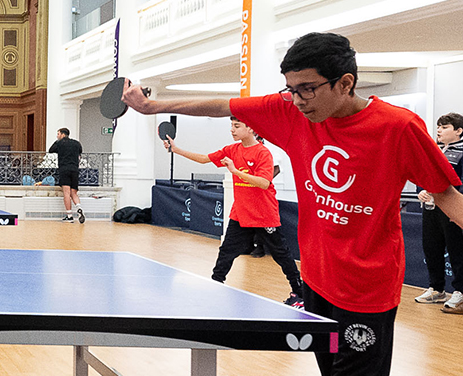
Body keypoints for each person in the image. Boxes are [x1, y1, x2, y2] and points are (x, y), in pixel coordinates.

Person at [121, 32, 463, 376]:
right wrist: (152, 107)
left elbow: (445, 193)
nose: (298, 99)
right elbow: (222, 106)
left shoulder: (399, 127)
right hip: (316, 280)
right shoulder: (290, 112)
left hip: (367, 289)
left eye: (308, 88)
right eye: (291, 89)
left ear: (345, 83)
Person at [163, 119, 305, 308]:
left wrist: (235, 171)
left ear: (251, 128)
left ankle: (300, 294)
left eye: (236, 126)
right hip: (240, 214)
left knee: (282, 256)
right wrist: (176, 149)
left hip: (264, 215)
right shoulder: (232, 149)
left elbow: (264, 182)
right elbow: (205, 158)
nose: (232, 130)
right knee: (226, 253)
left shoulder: (263, 153)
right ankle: (215, 285)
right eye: (231, 126)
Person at [415, 112, 463, 313]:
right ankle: (437, 288)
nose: (439, 131)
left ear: (459, 131)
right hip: (431, 208)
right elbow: (422, 174)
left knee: (457, 252)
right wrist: (421, 191)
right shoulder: (434, 150)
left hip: (452, 211)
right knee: (432, 249)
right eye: (438, 127)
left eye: (445, 127)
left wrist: (456, 206)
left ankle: (460, 292)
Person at [47, 128, 85, 223]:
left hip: (64, 169)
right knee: (74, 193)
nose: (57, 136)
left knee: (66, 193)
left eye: (58, 134)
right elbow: (80, 151)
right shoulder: (76, 143)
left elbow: (50, 150)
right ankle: (79, 207)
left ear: (63, 134)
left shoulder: (59, 143)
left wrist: (58, 143)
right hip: (75, 169)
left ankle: (69, 215)